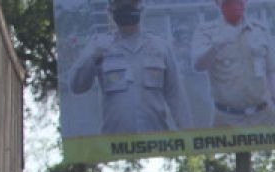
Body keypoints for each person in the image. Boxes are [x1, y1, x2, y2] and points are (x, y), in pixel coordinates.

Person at [69, 0, 191, 134]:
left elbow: (176, 97)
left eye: (131, 5)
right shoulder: (98, 45)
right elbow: (76, 86)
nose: (126, 9)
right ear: (110, 10)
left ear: (141, 8)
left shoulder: (161, 47)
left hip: (156, 142)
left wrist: (189, 136)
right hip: (115, 145)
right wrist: (92, 58)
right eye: (120, 6)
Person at [191, 0, 275, 126]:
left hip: (263, 117)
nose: (233, 3)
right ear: (217, 2)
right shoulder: (206, 32)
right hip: (226, 120)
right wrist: (217, 45)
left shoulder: (260, 29)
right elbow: (198, 65)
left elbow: (272, 75)